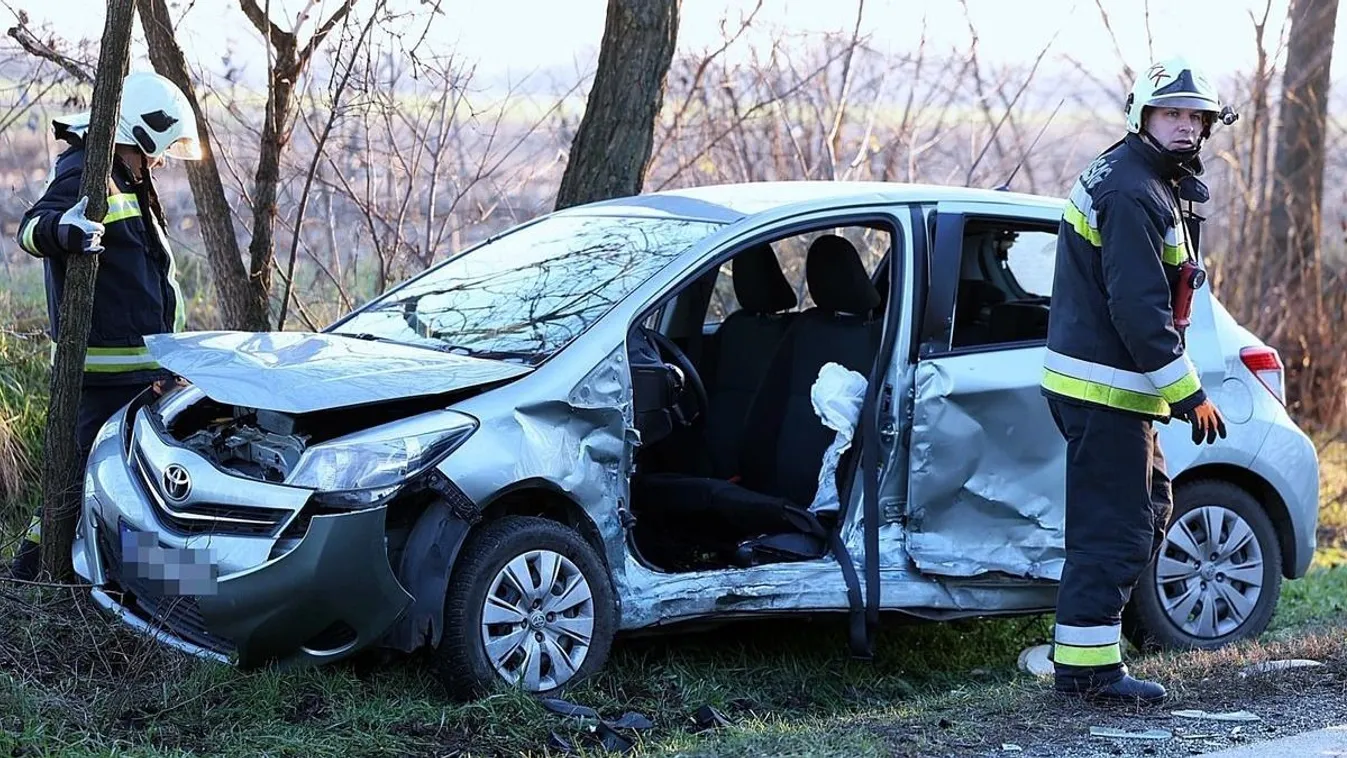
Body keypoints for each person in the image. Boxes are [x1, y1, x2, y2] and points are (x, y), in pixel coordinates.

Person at [1040, 57, 1236, 704]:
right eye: (1170, 114)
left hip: (1116, 392)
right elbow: (1138, 312)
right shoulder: (1131, 192)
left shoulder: (1144, 179)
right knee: (1114, 528)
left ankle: (1091, 656)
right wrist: (1191, 395)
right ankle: (1088, 674)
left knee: (1142, 513)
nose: (1184, 127)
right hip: (1105, 390)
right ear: (1141, 115)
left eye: (1193, 117)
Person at [8, 71, 201, 580]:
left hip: (137, 373)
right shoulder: (87, 172)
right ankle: (34, 579)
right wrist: (63, 231)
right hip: (100, 377)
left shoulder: (128, 176)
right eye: (154, 150)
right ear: (135, 133)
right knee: (78, 481)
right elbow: (30, 228)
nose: (158, 161)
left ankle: (143, 581)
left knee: (129, 482)